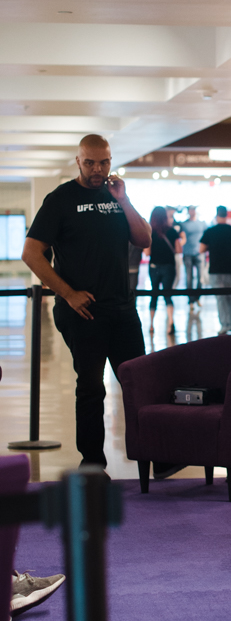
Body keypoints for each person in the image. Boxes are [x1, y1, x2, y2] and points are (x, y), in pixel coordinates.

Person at [22, 135, 150, 469]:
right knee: (91, 388)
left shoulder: (115, 195)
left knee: (140, 384)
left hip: (122, 308)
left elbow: (144, 238)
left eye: (104, 162)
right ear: (78, 161)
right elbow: (31, 253)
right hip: (83, 311)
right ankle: (92, 464)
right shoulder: (60, 199)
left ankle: (158, 456)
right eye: (90, 162)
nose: (97, 169)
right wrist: (67, 293)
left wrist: (124, 200)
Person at [199, 206, 231, 335]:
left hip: (216, 268)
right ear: (226, 215)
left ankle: (224, 325)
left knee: (220, 298)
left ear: (216, 215)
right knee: (229, 296)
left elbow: (201, 249)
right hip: (230, 267)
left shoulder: (210, 231)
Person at [146, 206, 184, 336]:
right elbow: (178, 250)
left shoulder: (149, 232)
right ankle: (170, 323)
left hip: (154, 267)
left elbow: (147, 252)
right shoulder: (172, 231)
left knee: (154, 294)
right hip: (169, 266)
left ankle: (151, 325)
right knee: (168, 294)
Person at [181, 205, 207, 310]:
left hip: (199, 253)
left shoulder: (202, 224)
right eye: (190, 210)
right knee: (189, 278)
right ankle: (190, 299)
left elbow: (205, 238)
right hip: (187, 253)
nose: (192, 211)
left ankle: (197, 298)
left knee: (200, 278)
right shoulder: (184, 224)